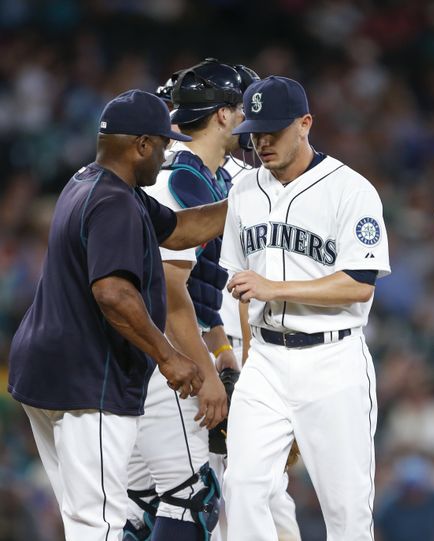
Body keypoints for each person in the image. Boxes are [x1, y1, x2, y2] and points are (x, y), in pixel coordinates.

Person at [7, 89, 229, 540]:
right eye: (163, 144)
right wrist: (168, 356)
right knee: (101, 523)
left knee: (83, 514)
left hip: (44, 374)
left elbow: (181, 230)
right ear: (142, 145)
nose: (167, 153)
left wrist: (245, 201)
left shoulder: (90, 182)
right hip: (88, 380)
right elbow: (113, 293)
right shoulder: (116, 204)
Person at [220, 75, 390, 540]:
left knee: (346, 509)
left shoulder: (350, 190)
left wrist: (274, 287)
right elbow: (240, 283)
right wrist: (250, 357)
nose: (262, 142)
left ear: (305, 124)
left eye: (273, 130)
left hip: (332, 359)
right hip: (267, 360)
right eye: (255, 132)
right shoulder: (244, 191)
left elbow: (360, 284)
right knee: (242, 486)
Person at [125, 59, 244, 541]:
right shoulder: (177, 180)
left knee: (139, 510)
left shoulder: (207, 176)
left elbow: (203, 292)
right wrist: (209, 372)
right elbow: (172, 295)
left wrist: (222, 351)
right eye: (241, 109)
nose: (248, 121)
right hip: (165, 361)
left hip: (162, 354)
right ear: (221, 115)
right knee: (190, 502)